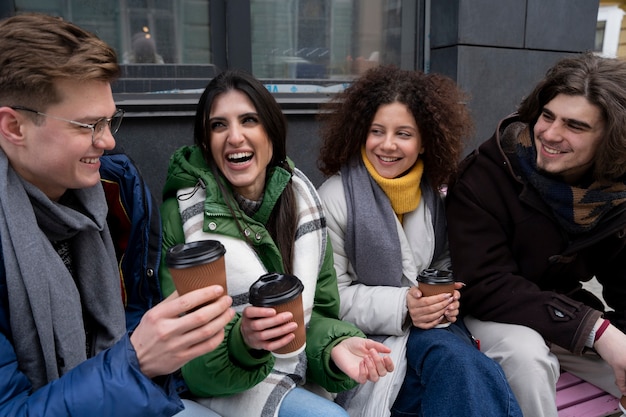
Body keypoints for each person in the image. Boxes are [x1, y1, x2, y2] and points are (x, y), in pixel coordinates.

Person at [0, 13, 235, 416]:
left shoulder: (116, 192)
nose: (108, 141)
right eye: (88, 125)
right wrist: (137, 361)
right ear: (14, 127)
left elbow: (134, 321)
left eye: (110, 120)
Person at [158, 68, 395, 417]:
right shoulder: (183, 215)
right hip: (211, 386)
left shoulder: (302, 202)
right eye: (218, 125)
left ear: (272, 131)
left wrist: (335, 345)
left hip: (290, 375)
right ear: (206, 141)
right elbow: (190, 356)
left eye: (249, 120)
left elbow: (318, 318)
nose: (234, 136)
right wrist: (245, 343)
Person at [316, 65, 522, 417]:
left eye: (404, 134)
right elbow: (328, 299)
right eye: (376, 131)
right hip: (368, 346)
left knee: (467, 371)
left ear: (425, 141)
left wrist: (445, 301)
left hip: (429, 336)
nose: (388, 144)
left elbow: (443, 264)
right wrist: (405, 306)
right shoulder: (335, 197)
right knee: (460, 367)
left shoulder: (432, 195)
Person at [445, 52, 626, 417]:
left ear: (612, 138)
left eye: (575, 126)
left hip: (560, 312)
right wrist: (597, 331)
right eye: (547, 116)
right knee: (527, 356)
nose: (550, 134)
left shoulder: (612, 191)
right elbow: (484, 284)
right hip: (486, 313)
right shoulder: (486, 174)